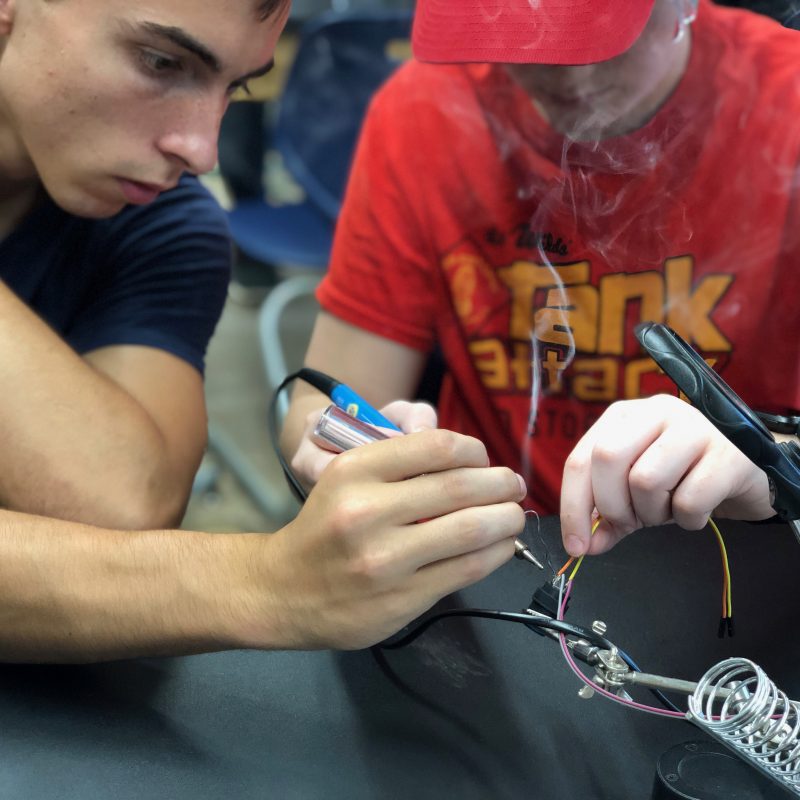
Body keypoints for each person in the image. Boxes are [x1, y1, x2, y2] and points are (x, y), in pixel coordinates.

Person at [0, 0, 527, 662]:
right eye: (161, 62)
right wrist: (264, 586)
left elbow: (114, 509)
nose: (201, 149)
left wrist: (271, 583)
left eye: (235, 88)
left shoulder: (163, 223)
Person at [282, 0, 800, 556]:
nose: (566, 73)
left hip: (742, 555)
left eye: (598, 34)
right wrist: (342, 448)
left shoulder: (785, 103)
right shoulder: (426, 111)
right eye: (521, 33)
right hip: (491, 552)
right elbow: (320, 407)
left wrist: (771, 461)